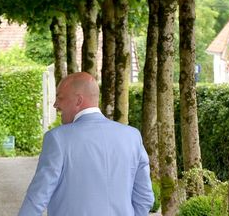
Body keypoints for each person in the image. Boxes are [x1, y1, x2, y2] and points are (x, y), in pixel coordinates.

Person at [18, 72, 154, 216]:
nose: (55, 104)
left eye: (60, 97)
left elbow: (37, 198)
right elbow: (144, 198)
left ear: (78, 101)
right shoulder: (132, 136)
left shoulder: (57, 139)